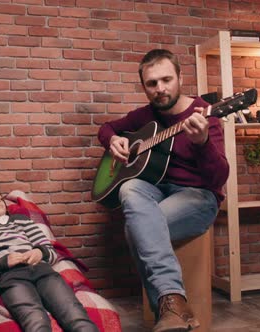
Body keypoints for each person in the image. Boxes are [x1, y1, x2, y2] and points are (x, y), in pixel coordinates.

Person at [97, 49, 229, 332]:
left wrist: (202, 142)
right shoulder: (146, 117)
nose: (160, 89)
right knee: (130, 187)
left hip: (198, 197)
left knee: (137, 230)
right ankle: (174, 306)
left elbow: (218, 179)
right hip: (158, 192)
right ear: (144, 86)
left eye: (166, 79)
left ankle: (169, 309)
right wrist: (114, 140)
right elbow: (106, 127)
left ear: (181, 77)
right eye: (152, 83)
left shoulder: (204, 113)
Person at [0, 185, 99, 332]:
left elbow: (48, 248)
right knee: (34, 317)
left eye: (0, 198)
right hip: (10, 277)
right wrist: (2, 262)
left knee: (72, 309)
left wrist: (40, 252)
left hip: (41, 270)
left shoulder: (21, 220)